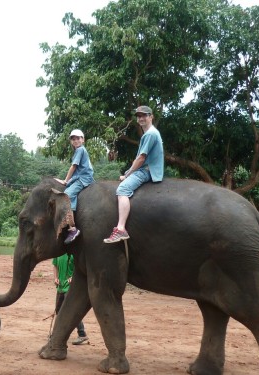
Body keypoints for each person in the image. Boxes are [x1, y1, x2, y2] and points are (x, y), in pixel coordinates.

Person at [103, 105, 164, 243]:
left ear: (151, 117)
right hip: (149, 168)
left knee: (122, 189)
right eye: (139, 116)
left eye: (144, 115)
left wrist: (129, 174)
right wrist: (128, 172)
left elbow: (141, 158)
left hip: (148, 170)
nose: (141, 118)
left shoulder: (150, 134)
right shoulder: (151, 133)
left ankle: (121, 229)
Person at [55, 129, 95, 244]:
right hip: (81, 177)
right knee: (68, 188)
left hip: (83, 178)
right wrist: (68, 182)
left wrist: (65, 181)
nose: (76, 140)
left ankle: (72, 228)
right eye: (73, 139)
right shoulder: (80, 151)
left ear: (83, 140)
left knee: (67, 195)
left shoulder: (80, 150)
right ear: (71, 141)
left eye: (78, 138)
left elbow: (73, 167)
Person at [52, 253, 88, 345]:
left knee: (71, 311)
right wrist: (55, 278)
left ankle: (82, 334)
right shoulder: (58, 253)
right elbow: (55, 265)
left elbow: (80, 268)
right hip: (60, 287)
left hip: (70, 287)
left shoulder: (73, 254)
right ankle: (58, 334)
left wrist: (73, 277)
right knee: (59, 311)